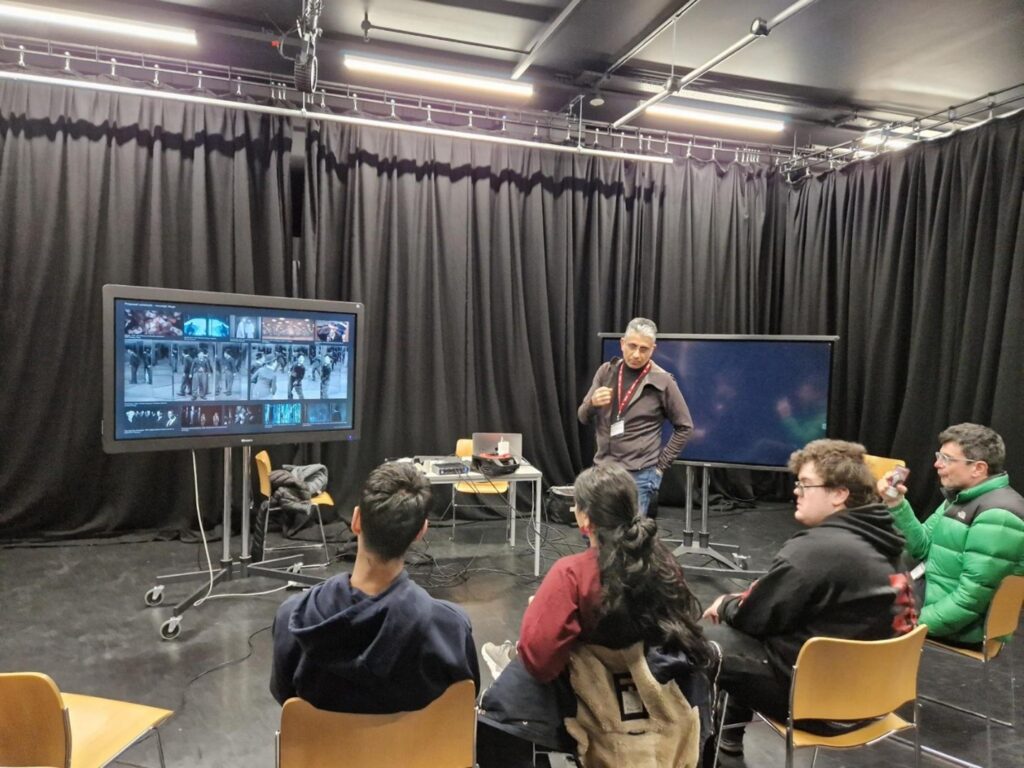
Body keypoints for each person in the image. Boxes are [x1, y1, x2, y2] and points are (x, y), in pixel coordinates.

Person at [477, 464, 715, 767]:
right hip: (660, 689)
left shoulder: (571, 573)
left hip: (594, 695)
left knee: (500, 707)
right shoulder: (664, 563)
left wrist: (544, 610)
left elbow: (540, 659)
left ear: (584, 518)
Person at [702, 439, 917, 759]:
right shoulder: (888, 542)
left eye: (805, 484)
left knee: (699, 637)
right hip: (877, 701)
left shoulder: (817, 550)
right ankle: (729, 735)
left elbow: (754, 616)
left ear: (839, 493)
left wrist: (726, 604)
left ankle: (696, 747)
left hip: (823, 708)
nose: (795, 492)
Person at [271, 462, 480, 713]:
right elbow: (465, 696)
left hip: (329, 752)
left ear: (356, 520)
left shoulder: (293, 618)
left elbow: (285, 697)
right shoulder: (450, 627)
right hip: (414, 753)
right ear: (420, 532)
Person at [879, 423, 1024, 648]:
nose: (937, 464)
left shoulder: (999, 517)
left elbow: (969, 601)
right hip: (925, 596)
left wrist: (914, 624)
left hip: (960, 627)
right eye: (939, 456)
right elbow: (922, 547)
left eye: (946, 459)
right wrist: (896, 504)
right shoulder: (962, 497)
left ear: (978, 468)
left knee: (852, 613)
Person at [578, 318, 693, 517]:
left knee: (630, 539)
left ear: (653, 349)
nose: (637, 354)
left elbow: (685, 426)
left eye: (644, 349)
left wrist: (660, 467)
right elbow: (582, 417)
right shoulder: (606, 372)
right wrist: (592, 404)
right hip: (603, 471)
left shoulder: (663, 380)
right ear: (622, 343)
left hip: (639, 475)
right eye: (632, 346)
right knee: (596, 537)